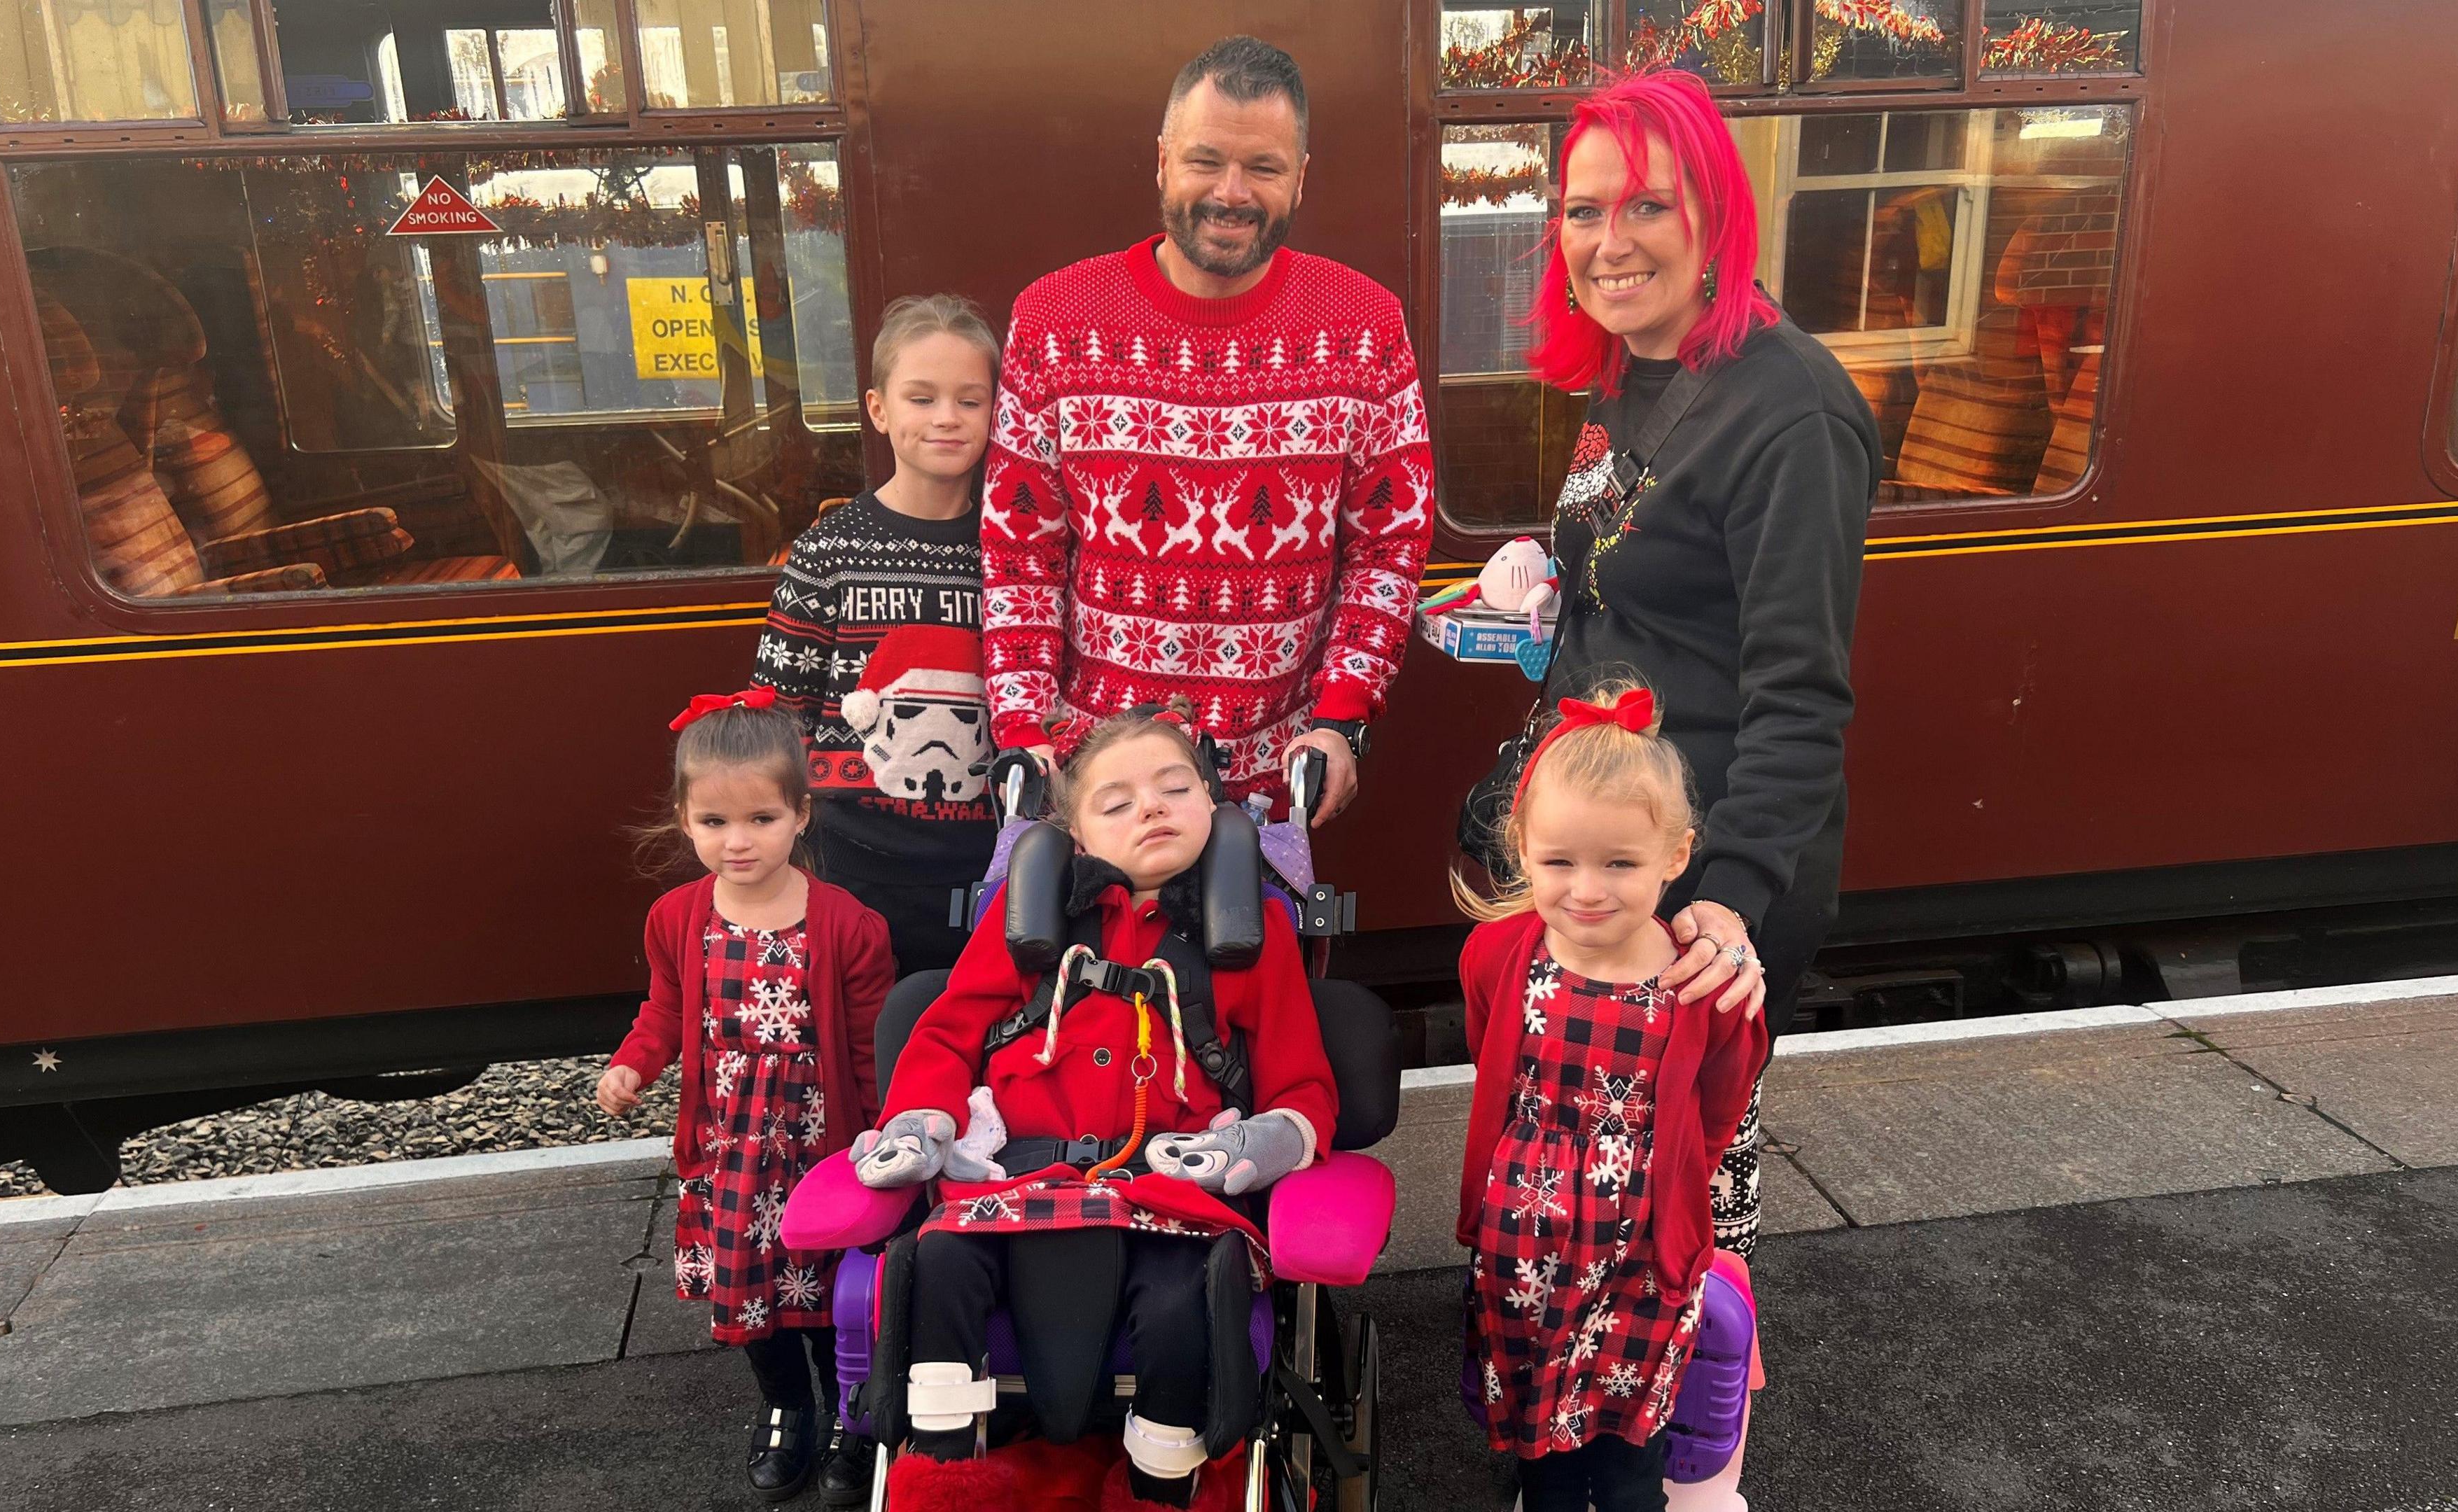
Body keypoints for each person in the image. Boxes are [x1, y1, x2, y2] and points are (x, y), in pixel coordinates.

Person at [1521, 67, 1878, 1257]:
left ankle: (1695, 1422)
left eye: (1646, 206)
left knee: (1683, 1200)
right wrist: (1538, 575)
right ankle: (1588, 1402)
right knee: (1595, 1178)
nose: (1607, 242)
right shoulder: (1637, 371)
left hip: (1693, 870)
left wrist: (1723, 896)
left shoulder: (1792, 414)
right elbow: (1637, 567)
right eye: (1583, 210)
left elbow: (1800, 692)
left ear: (1714, 214)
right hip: (1615, 843)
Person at [853, 703, 1339, 1511]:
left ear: (1213, 807)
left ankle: (1160, 1486)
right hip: (1011, 1184)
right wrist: (923, 1119)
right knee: (934, 1261)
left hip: (1166, 1191)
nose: (1149, 807)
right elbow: (943, 1037)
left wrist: (1265, 1140)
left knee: (1187, 1294)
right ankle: (944, 1475)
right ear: (1075, 837)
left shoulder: (1251, 939)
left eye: (1173, 788)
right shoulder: (1025, 926)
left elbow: (1303, 1088)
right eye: (1116, 803)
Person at [980, 35, 1435, 825]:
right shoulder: (1051, 320)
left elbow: (1388, 547)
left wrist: (1340, 720)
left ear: (1300, 175)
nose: (1232, 192)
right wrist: (1026, 729)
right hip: (1099, 782)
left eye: (1262, 167)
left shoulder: (1368, 324)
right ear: (1162, 161)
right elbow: (1021, 551)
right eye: (1205, 161)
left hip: (1277, 783)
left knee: (1264, 952)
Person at [1453, 685, 1767, 1512]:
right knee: (1541, 1451)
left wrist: (1669, 1178)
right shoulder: (1497, 953)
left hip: (1639, 1257)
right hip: (1522, 1253)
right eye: (1560, 863)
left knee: (1631, 1458)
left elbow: (1721, 1100)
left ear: (1675, 855)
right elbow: (1492, 1055)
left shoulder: (1696, 982)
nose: (1587, 890)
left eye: (1620, 864)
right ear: (1522, 849)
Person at [594, 688, 895, 1506]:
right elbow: (664, 1010)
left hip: (819, 1147)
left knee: (829, 1292)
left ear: (801, 813)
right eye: (715, 823)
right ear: (685, 820)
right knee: (749, 1288)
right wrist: (633, 1065)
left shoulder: (847, 925)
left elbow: (869, 1048)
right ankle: (787, 1407)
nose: (738, 842)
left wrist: (881, 1143)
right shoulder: (675, 918)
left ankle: (849, 1415)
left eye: (761, 819)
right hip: (729, 1147)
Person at [757, 295, 1002, 977]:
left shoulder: (1013, 550)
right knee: (869, 1055)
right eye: (921, 398)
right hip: (854, 870)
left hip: (989, 869)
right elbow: (777, 718)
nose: (947, 418)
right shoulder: (828, 553)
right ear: (878, 409)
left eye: (970, 400)